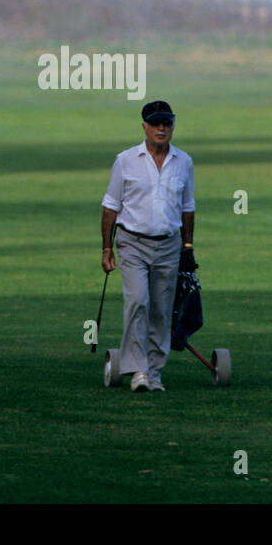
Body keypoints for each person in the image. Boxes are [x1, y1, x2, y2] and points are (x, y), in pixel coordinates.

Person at [100, 99, 196, 392]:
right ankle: (138, 370)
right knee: (138, 301)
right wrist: (107, 249)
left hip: (169, 244)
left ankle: (154, 373)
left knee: (162, 310)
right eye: (155, 123)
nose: (161, 128)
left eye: (166, 123)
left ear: (173, 125)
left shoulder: (184, 162)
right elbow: (110, 207)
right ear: (144, 126)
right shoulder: (126, 160)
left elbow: (187, 207)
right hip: (131, 242)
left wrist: (188, 247)